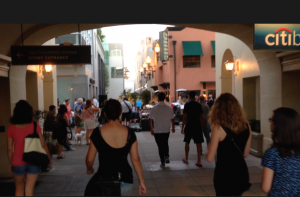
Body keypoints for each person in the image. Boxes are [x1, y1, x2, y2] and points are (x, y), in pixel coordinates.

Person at [85, 99, 147, 196]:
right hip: (125, 179)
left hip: (104, 179)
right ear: (120, 112)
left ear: (105, 114)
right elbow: (136, 160)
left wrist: (89, 169)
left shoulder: (98, 132)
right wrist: (141, 181)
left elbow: (89, 159)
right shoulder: (130, 133)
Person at [206, 93, 252, 196]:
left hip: (224, 174)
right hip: (241, 173)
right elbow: (246, 154)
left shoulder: (218, 128)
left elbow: (209, 158)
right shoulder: (247, 125)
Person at [7, 100, 52, 196]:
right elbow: (43, 144)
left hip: (17, 162)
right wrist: (48, 158)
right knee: (29, 190)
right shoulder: (35, 125)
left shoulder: (11, 127)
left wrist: (10, 163)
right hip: (34, 160)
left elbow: (9, 149)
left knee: (19, 189)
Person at [261, 107, 300, 196]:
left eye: (272, 120)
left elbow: (266, 187)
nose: (270, 123)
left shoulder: (272, 153)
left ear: (279, 125)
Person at [149, 92, 175, 167]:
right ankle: (166, 155)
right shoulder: (169, 107)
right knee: (165, 142)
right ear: (164, 98)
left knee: (160, 145)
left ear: (158, 98)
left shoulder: (154, 107)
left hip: (157, 130)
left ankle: (162, 161)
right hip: (166, 129)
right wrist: (173, 128)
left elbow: (149, 118)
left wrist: (151, 128)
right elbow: (172, 119)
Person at [181, 91, 204, 167]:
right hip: (197, 125)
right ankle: (199, 160)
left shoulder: (187, 105)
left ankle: (186, 158)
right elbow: (201, 116)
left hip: (189, 124)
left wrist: (182, 126)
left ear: (189, 96)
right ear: (195, 96)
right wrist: (202, 126)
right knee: (198, 143)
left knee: (187, 141)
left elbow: (185, 117)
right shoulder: (198, 105)